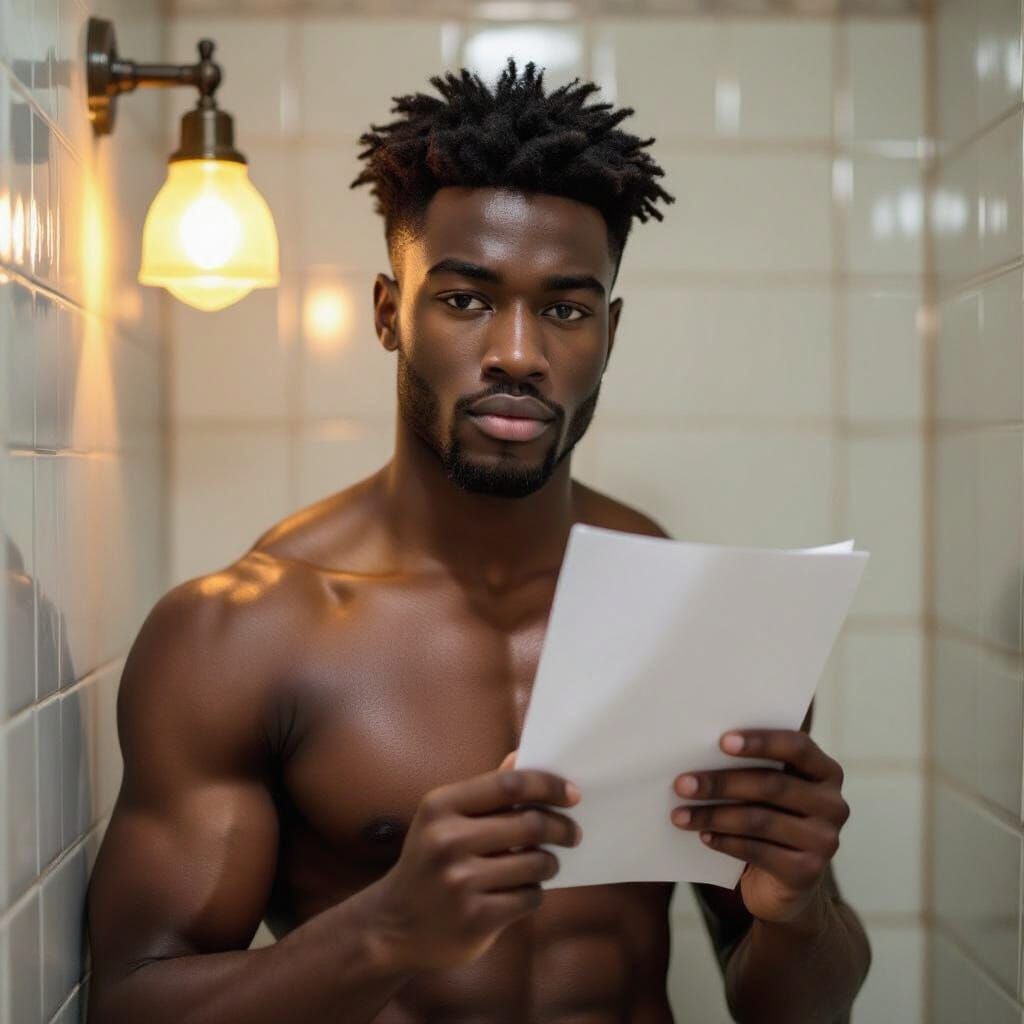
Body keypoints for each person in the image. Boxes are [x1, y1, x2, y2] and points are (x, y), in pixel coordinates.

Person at [85, 57, 870, 1023]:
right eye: (465, 299)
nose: (517, 352)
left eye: (565, 309)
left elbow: (795, 1008)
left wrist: (799, 908)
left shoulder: (689, 618)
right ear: (389, 314)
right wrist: (387, 931)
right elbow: (130, 1004)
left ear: (609, 335)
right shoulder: (244, 634)